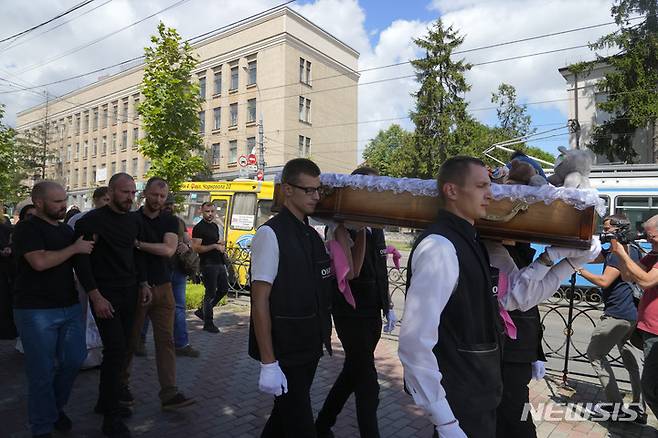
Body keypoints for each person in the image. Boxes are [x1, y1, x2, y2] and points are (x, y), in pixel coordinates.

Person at [398, 156, 600, 437]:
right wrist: (443, 420)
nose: (491, 193)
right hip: (461, 399)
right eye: (481, 186)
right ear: (452, 190)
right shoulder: (440, 246)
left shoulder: (472, 242)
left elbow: (512, 300)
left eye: (489, 185)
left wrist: (569, 262)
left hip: (479, 393)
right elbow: (414, 343)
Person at [249, 158, 334, 437]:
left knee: (283, 418)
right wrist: (268, 362)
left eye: (318, 190)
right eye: (308, 190)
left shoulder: (311, 235)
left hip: (309, 345)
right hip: (286, 351)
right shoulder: (270, 234)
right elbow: (259, 300)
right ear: (287, 190)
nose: (316, 196)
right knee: (300, 424)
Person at [315, 166, 397, 438]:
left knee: (353, 371)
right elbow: (353, 272)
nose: (376, 193)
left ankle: (322, 425)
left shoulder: (375, 224)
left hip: (372, 310)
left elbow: (380, 267)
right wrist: (359, 229)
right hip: (350, 312)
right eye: (370, 188)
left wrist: (388, 305)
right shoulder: (342, 225)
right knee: (367, 384)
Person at [12, 181, 93, 438]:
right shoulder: (27, 229)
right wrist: (74, 248)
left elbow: (82, 260)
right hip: (35, 311)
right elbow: (39, 262)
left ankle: (53, 409)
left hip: (68, 306)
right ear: (39, 203)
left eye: (64, 200)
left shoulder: (65, 231)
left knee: (74, 359)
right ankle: (42, 427)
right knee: (41, 373)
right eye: (57, 201)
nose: (63, 205)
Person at [74, 173, 151, 438]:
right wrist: (96, 296)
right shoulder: (91, 221)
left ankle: (104, 401)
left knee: (125, 347)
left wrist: (143, 283)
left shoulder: (133, 221)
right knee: (115, 350)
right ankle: (111, 417)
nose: (130, 197)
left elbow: (136, 254)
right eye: (125, 192)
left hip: (130, 292)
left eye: (133, 193)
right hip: (105, 296)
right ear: (111, 192)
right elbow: (82, 263)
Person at [121, 177, 195, 411]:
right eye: (154, 195)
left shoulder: (170, 220)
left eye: (163, 196)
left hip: (164, 287)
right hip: (136, 288)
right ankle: (121, 385)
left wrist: (139, 245)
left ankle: (169, 394)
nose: (158, 200)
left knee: (167, 341)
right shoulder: (131, 219)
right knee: (129, 341)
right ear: (145, 194)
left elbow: (168, 249)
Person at [578, 214, 646, 422]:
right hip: (631, 313)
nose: (604, 231)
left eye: (607, 228)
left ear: (618, 229)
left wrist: (579, 270)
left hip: (618, 314)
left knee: (595, 354)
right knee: (631, 360)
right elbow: (596, 257)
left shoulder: (620, 252)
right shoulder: (626, 248)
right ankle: (639, 408)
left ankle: (615, 407)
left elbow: (604, 281)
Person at [609, 214, 658, 419]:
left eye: (651, 236)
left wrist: (622, 252)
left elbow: (646, 281)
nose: (647, 240)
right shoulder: (654, 254)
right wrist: (622, 252)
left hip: (656, 331)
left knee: (650, 387)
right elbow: (629, 275)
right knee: (652, 386)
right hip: (648, 328)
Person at [191, 201, 228, 333]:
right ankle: (208, 323)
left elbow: (214, 241)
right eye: (207, 211)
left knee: (224, 289)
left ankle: (203, 311)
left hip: (219, 261)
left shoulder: (214, 226)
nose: (210, 214)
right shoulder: (199, 228)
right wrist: (214, 246)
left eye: (212, 211)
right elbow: (196, 248)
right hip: (207, 264)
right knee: (210, 293)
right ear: (202, 211)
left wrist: (219, 243)